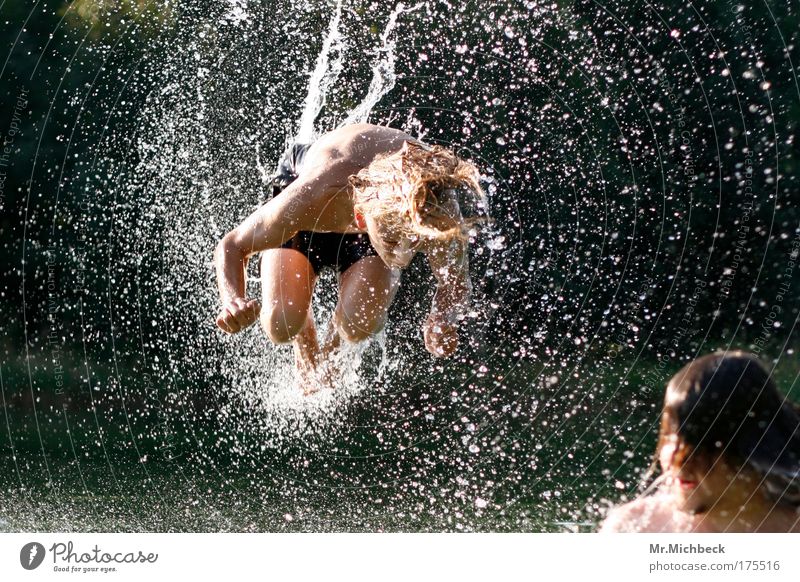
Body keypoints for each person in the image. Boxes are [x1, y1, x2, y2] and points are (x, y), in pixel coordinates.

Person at [214, 123, 486, 391]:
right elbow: (232, 245)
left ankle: (333, 336)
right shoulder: (312, 194)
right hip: (314, 183)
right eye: (392, 242)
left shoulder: (437, 211)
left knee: (359, 324)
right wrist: (233, 300)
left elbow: (454, 283)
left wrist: (441, 320)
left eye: (412, 241)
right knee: (281, 323)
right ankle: (304, 337)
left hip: (384, 200)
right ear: (360, 220)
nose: (402, 255)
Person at [601, 351, 800, 532]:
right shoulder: (636, 528)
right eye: (671, 436)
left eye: (698, 442)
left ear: (756, 446)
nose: (676, 458)